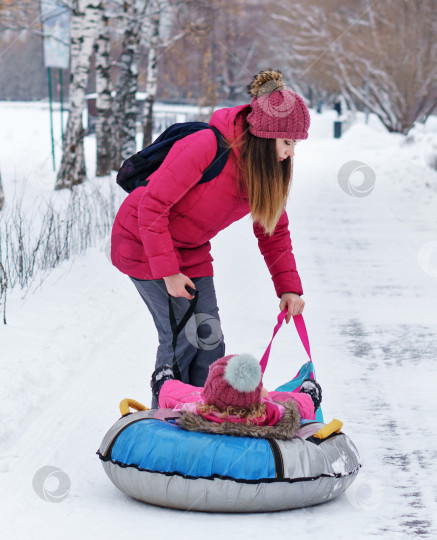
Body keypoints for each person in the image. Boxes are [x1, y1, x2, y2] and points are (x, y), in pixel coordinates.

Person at [110, 69, 310, 407]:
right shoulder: (206, 146)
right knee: (180, 338)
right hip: (142, 241)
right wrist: (168, 272)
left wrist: (289, 288)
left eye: (296, 145)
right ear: (265, 136)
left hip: (189, 246)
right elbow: (152, 206)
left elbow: (273, 231)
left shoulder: (264, 172)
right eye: (288, 142)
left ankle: (203, 416)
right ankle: (166, 419)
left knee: (208, 340)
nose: (291, 152)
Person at [158, 353, 320, 439]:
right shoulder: (273, 413)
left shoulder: (197, 408)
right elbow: (299, 405)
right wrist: (310, 395)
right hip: (259, 411)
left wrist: (163, 381)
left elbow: (176, 394)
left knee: (187, 393)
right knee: (277, 397)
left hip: (213, 413)